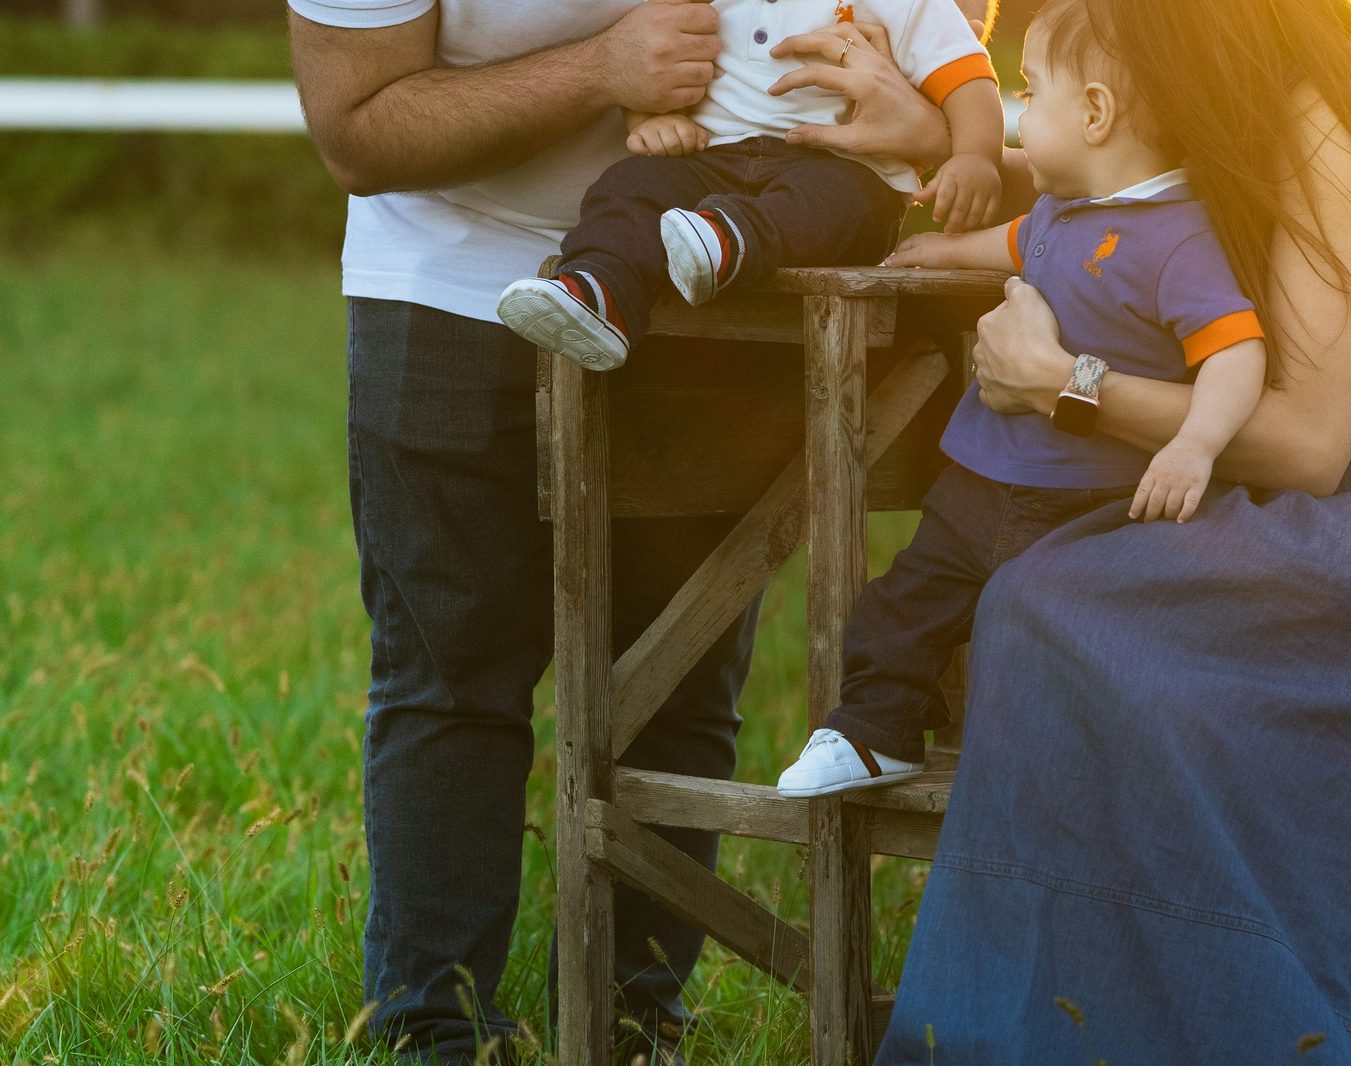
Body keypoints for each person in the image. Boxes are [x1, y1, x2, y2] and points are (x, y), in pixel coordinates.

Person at [284, 0, 993, 1062]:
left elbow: (946, 27)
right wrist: (602, 70)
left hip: (728, 284)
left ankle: (630, 1026)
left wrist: (931, 124)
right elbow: (354, 128)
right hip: (447, 283)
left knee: (682, 680)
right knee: (451, 675)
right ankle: (435, 1028)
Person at [866, 0, 1351, 1060]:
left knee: (1057, 614)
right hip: (1217, 492)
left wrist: (1060, 384)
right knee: (1045, 605)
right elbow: (1056, 167)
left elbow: (1313, 441)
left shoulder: (1327, 99)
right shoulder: (1167, 65)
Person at [775, 2, 1270, 798]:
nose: (1018, 114)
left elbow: (1236, 350)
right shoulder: (1058, 210)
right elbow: (1008, 245)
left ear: (1097, 113)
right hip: (978, 481)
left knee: (1055, 646)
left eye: (1032, 95)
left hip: (1084, 507)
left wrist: (1195, 443)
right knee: (902, 607)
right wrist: (939, 251)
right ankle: (874, 732)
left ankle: (1073, 775)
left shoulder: (1179, 239)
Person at [495, 0, 1004, 373]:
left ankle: (727, 240)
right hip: (710, 158)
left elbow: (966, 78)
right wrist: (650, 118)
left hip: (843, 164)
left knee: (838, 207)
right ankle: (598, 292)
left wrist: (976, 157)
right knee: (631, 181)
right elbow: (657, 60)